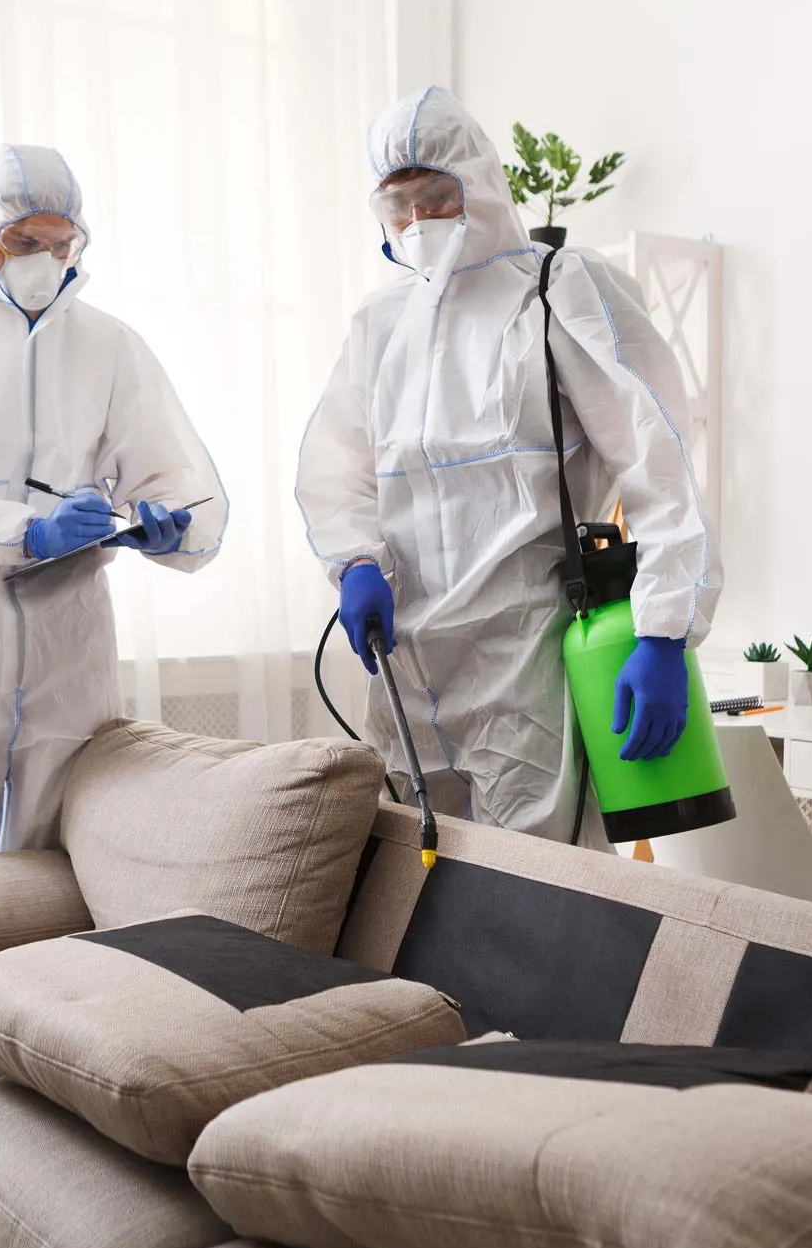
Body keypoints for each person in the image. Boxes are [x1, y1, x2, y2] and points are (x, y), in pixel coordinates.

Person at [295, 87, 718, 847]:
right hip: (407, 666)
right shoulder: (380, 324)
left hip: (521, 659)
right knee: (409, 881)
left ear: (481, 186)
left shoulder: (556, 290)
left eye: (436, 197)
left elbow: (658, 462)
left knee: (539, 892)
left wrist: (662, 633)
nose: (417, 222)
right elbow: (337, 465)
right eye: (398, 206)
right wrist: (355, 560)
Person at [0, 144, 226, 868]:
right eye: (25, 241)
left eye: (63, 245)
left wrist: (166, 523)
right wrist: (26, 532)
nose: (46, 261)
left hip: (69, 637)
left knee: (62, 852)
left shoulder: (109, 345)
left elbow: (173, 472)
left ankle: (44, 985)